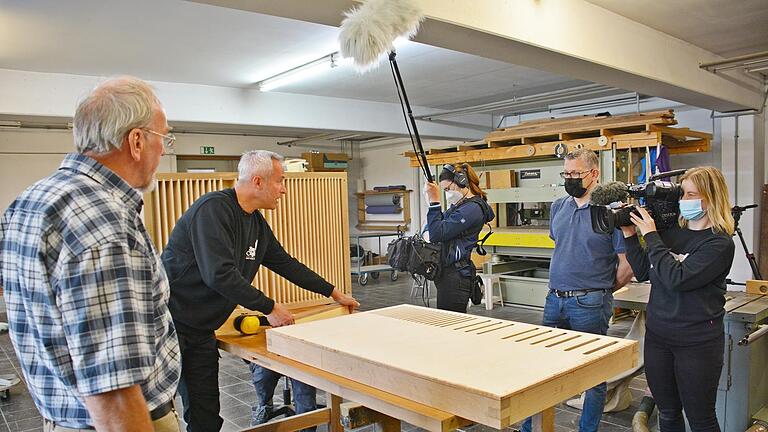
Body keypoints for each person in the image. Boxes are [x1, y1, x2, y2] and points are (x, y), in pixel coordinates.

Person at [0, 77, 181, 431]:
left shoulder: (31, 200)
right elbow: (112, 389)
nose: (163, 151)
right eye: (164, 139)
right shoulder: (103, 221)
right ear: (137, 141)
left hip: (62, 416)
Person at [161, 150, 359, 432]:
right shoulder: (214, 210)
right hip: (168, 327)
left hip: (201, 330)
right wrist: (270, 307)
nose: (284, 190)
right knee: (157, 415)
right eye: (280, 181)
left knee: (206, 417)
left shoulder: (255, 222)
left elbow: (285, 263)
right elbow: (219, 274)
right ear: (258, 181)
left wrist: (333, 292)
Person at [521, 149, 633, 432]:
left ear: (593, 174)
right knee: (539, 369)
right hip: (554, 298)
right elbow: (563, 245)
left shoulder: (612, 212)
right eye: (566, 174)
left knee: (593, 373)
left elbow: (627, 262)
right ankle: (530, 427)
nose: (570, 179)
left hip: (590, 302)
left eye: (575, 174)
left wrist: (603, 289)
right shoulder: (559, 206)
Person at [621, 166, 734, 432]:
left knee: (701, 418)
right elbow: (643, 271)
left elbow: (677, 279)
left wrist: (651, 234)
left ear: (711, 197)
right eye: (682, 194)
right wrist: (629, 235)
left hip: (697, 344)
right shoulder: (672, 233)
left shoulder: (719, 243)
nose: (684, 200)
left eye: (691, 194)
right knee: (668, 413)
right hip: (659, 337)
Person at [425, 163, 495, 313]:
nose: (447, 194)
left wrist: (435, 202)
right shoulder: (458, 206)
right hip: (447, 273)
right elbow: (433, 230)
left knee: (451, 323)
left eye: (448, 189)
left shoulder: (472, 209)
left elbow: (437, 233)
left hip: (456, 277)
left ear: (461, 181)